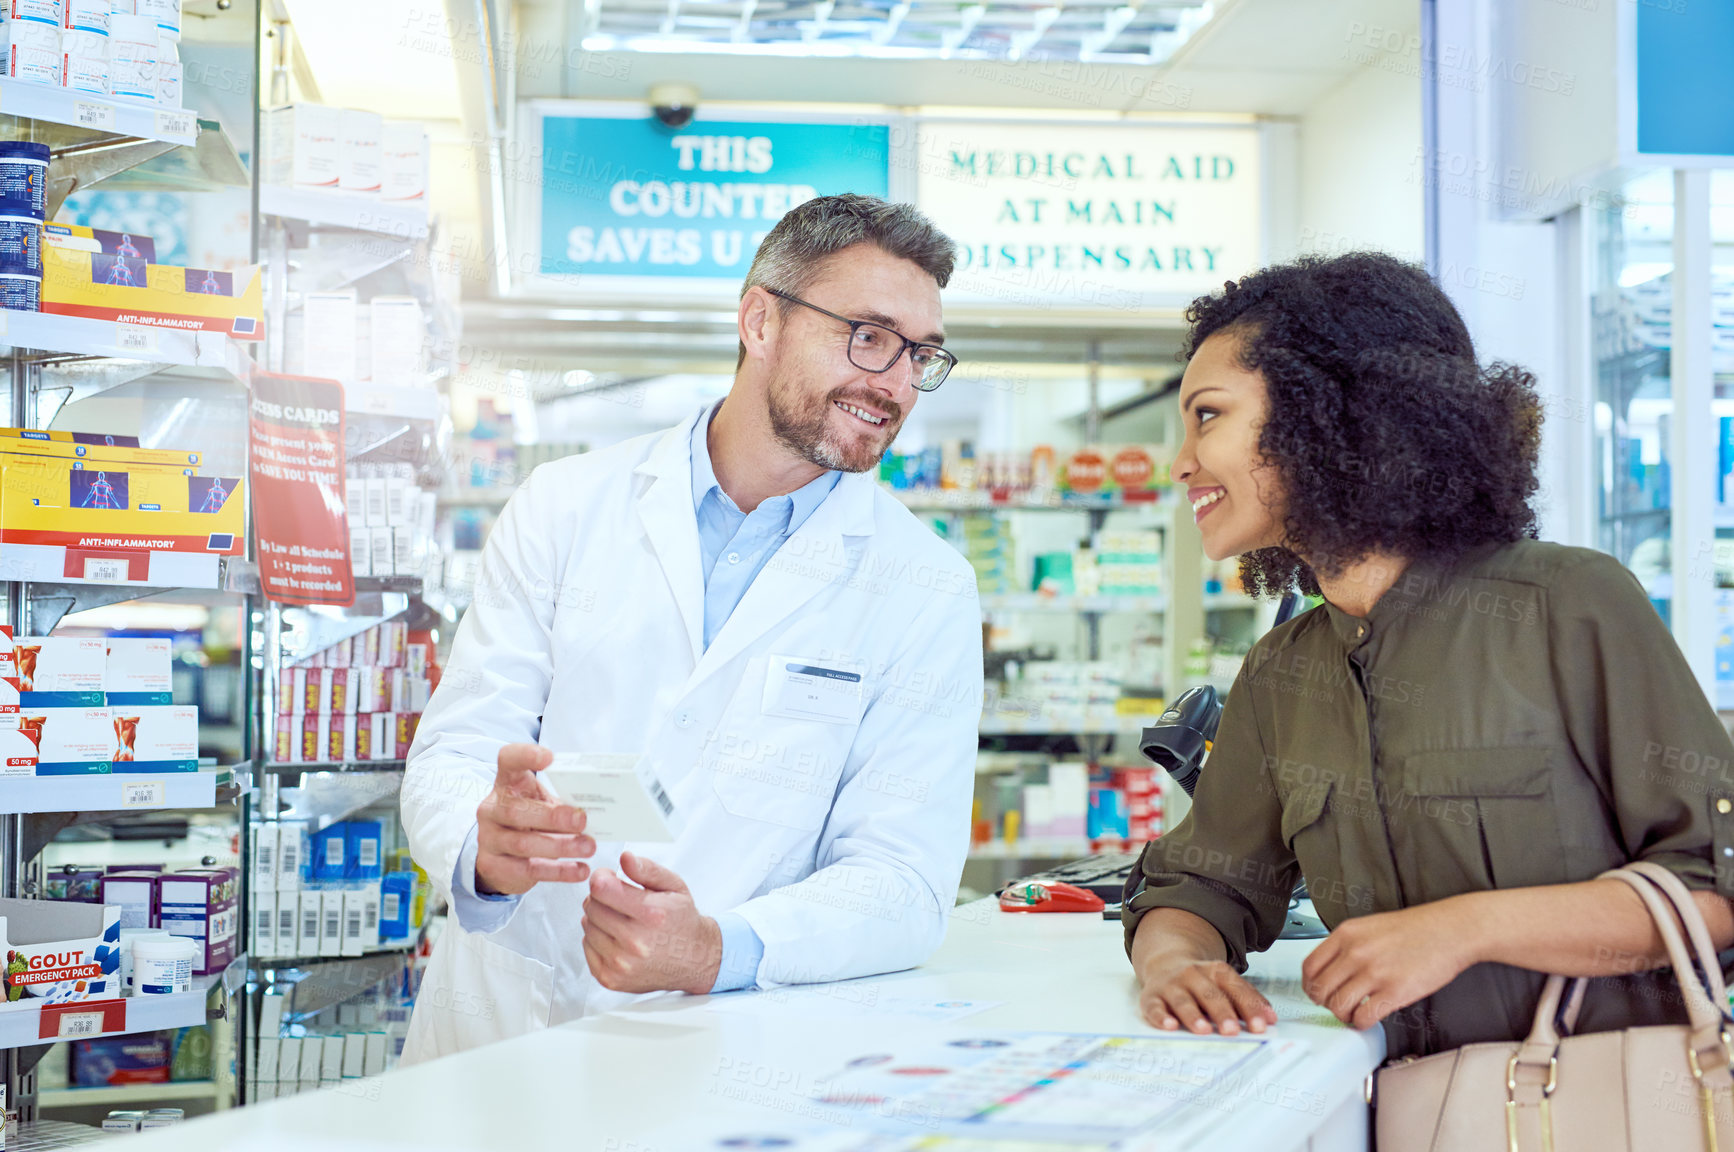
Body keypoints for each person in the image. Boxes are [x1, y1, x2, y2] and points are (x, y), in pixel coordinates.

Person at [400, 194, 983, 1062]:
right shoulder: (565, 507)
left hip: (724, 1051)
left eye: (919, 355)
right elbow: (452, 755)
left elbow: (904, 879)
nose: (895, 383)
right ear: (760, 321)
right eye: (868, 336)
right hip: (500, 1030)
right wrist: (486, 847)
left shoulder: (926, 585)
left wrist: (719, 949)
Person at [1125, 251, 1734, 1060]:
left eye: (1208, 416)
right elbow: (1202, 883)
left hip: (1601, 1111)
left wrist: (1467, 930)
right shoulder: (1283, 671)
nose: (1182, 463)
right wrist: (1176, 964)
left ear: (1327, 414)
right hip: (1414, 1114)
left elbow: (1715, 887)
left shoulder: (1568, 604)